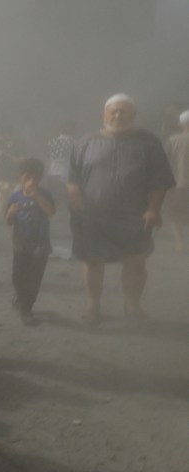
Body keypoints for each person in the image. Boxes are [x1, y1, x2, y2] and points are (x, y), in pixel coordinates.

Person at [68, 94, 175, 324]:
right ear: (104, 114)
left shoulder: (149, 143)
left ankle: (132, 305)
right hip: (93, 217)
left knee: (135, 262)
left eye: (124, 111)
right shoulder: (85, 143)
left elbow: (159, 180)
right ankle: (92, 305)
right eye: (113, 111)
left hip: (134, 217)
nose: (118, 115)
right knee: (93, 261)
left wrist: (154, 209)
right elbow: (73, 179)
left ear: (134, 116)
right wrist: (77, 202)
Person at [5, 158, 55, 326]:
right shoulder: (14, 197)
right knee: (18, 276)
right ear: (20, 177)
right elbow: (8, 221)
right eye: (28, 177)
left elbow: (51, 211)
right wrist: (11, 212)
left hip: (40, 246)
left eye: (36, 178)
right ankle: (20, 297)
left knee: (34, 279)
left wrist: (37, 196)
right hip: (20, 244)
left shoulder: (45, 194)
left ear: (41, 178)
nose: (31, 182)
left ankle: (26, 309)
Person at [163, 110, 189, 252]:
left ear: (181, 124)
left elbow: (164, 161)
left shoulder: (173, 140)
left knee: (175, 214)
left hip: (179, 183)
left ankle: (180, 243)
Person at [0, 124, 27, 215]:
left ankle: (17, 219)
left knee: (17, 202)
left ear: (7, 135)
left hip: (17, 178)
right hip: (4, 179)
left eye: (0, 135)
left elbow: (24, 159)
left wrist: (10, 158)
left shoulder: (19, 144)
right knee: (2, 204)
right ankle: (5, 217)